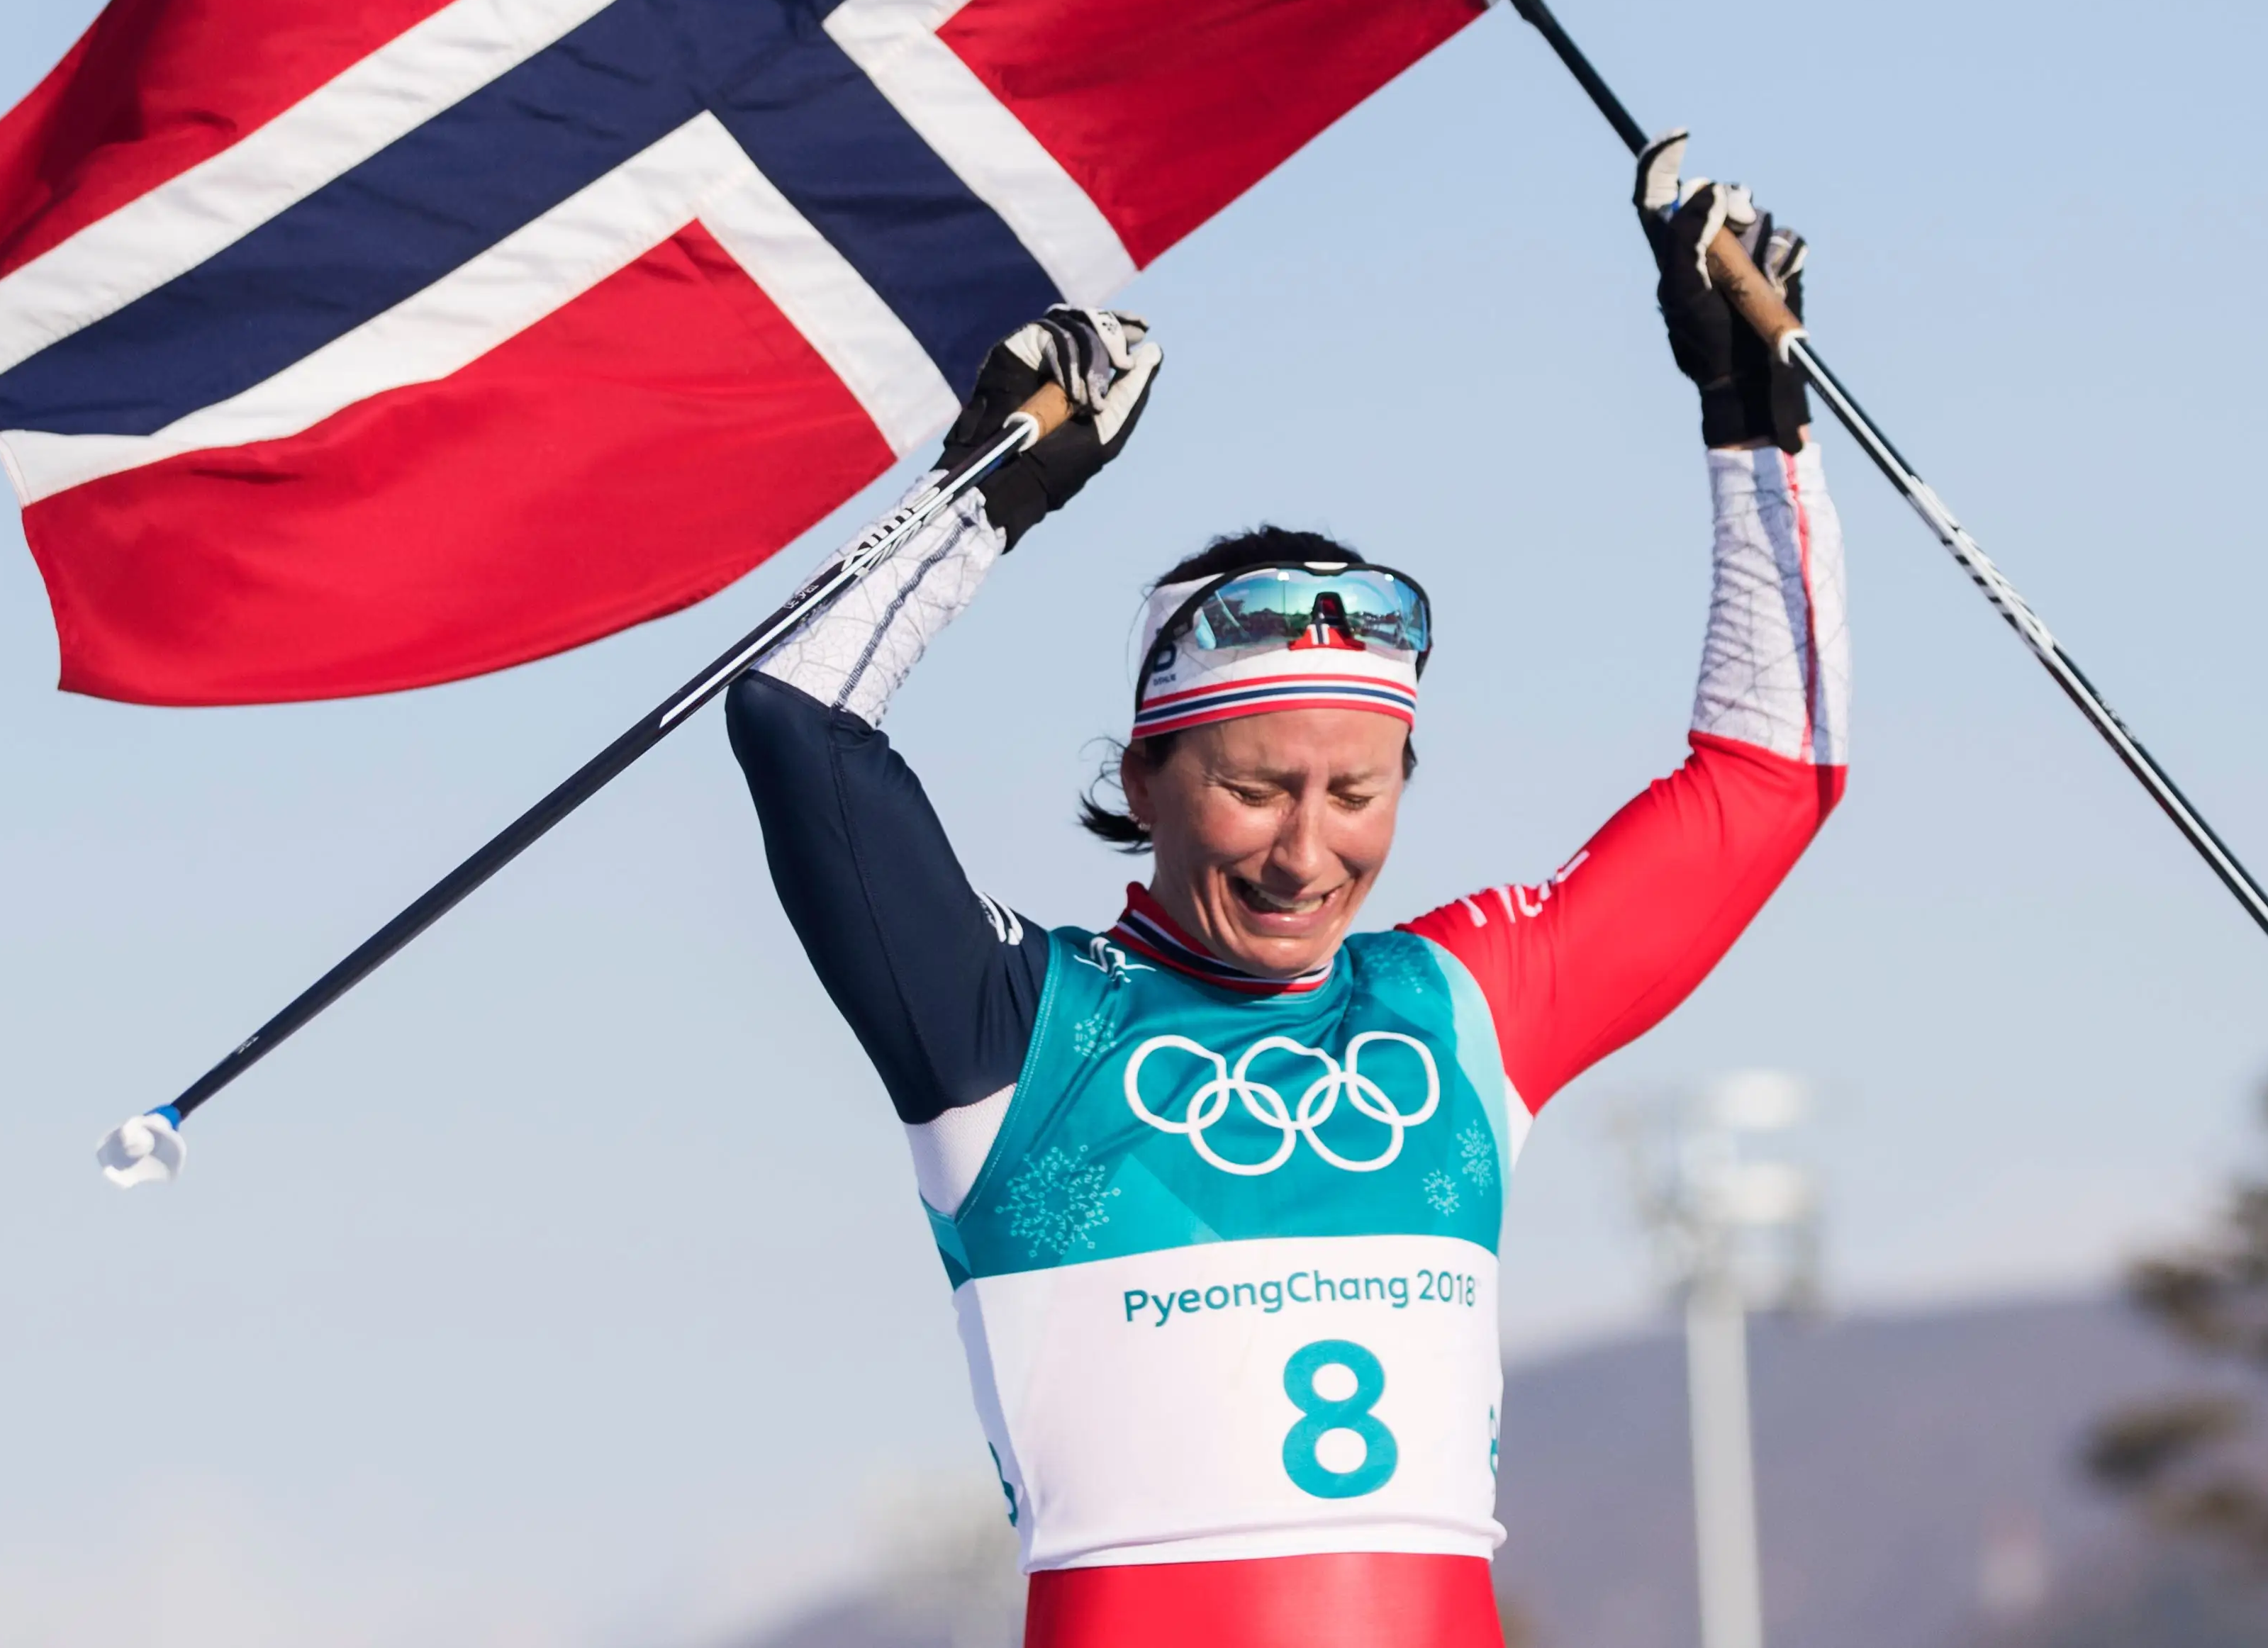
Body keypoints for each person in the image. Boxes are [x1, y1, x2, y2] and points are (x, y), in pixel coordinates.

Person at [727, 136, 1852, 1648]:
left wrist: (1754, 420)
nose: (1305, 851)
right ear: (1141, 781)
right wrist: (985, 490)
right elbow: (797, 719)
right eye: (1253, 787)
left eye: (1354, 792)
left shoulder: (1461, 1008)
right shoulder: (1007, 1030)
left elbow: (1771, 774)